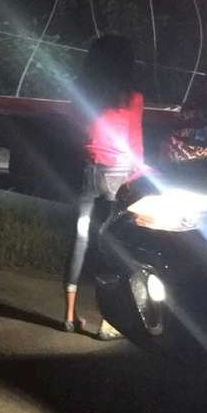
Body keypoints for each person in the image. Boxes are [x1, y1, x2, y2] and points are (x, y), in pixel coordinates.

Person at [63, 34, 146, 339]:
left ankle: (69, 316)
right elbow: (135, 143)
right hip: (119, 173)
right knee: (111, 243)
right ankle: (108, 322)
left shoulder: (81, 93)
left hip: (90, 169)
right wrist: (138, 174)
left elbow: (75, 131)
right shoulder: (132, 97)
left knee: (80, 238)